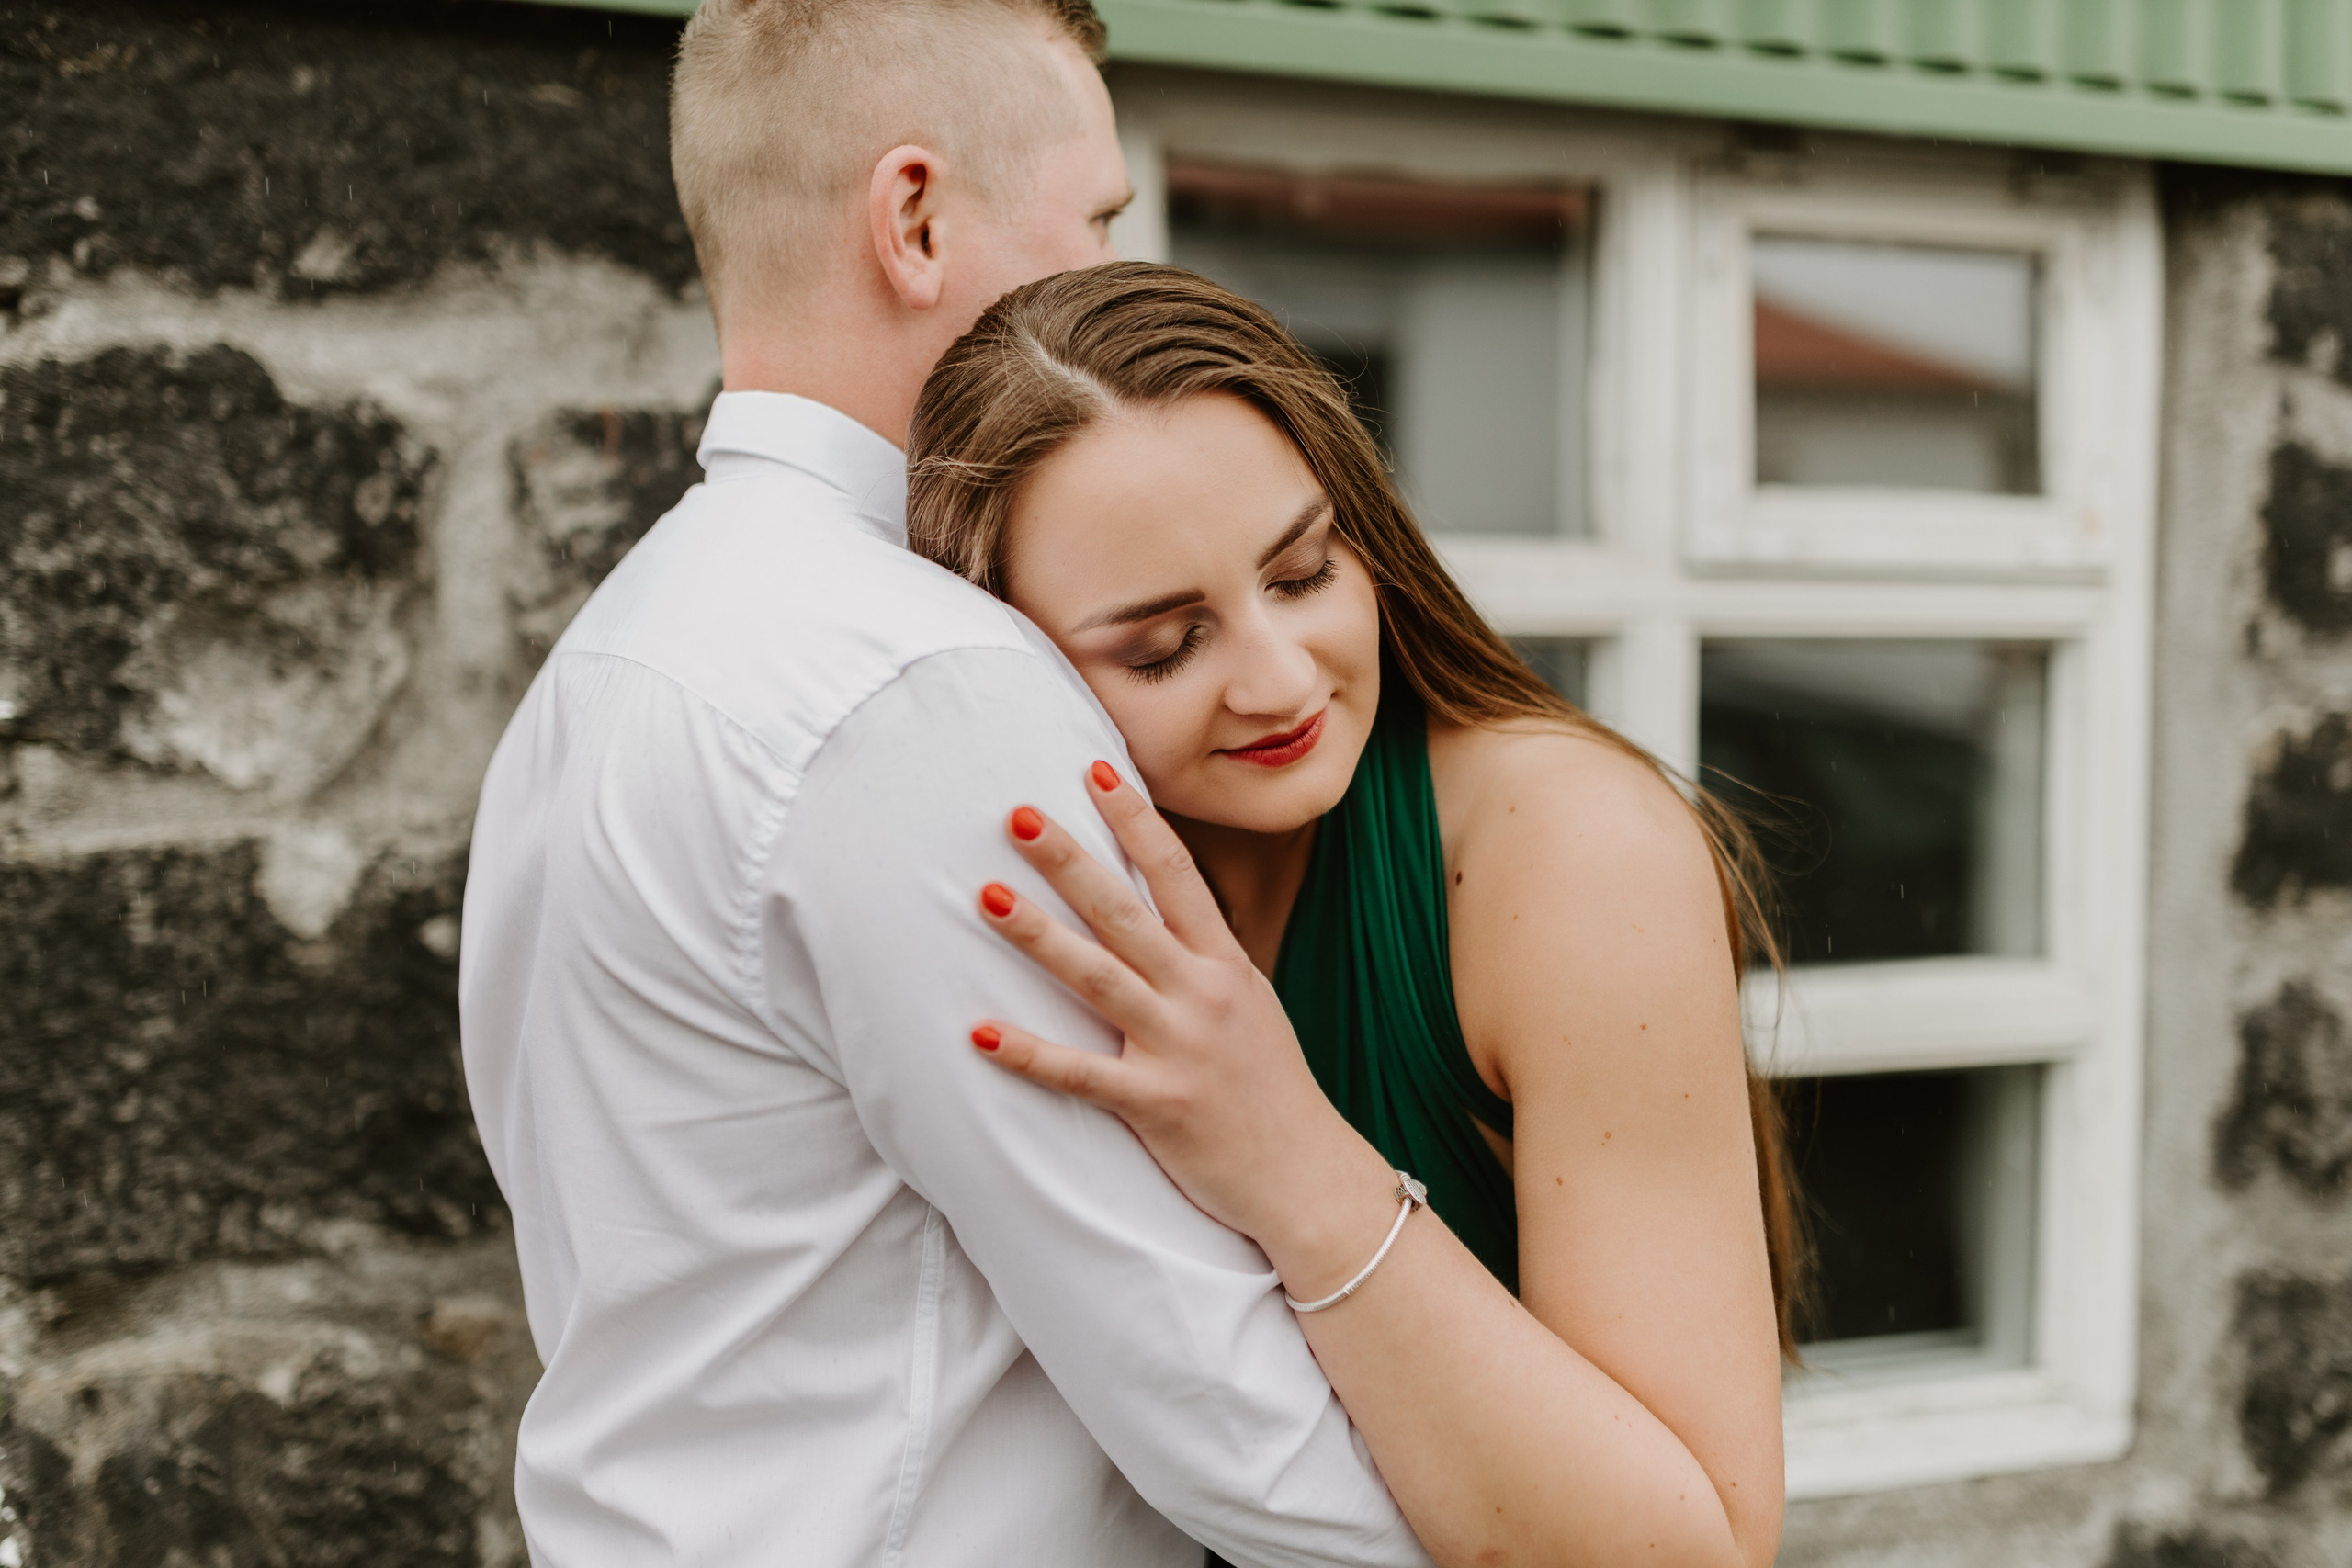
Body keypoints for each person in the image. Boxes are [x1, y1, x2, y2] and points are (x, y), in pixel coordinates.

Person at [459, 6, 1434, 1565]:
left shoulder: (609, 661)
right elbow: (1219, 1399)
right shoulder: (925, 684)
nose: (1124, 265)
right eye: (1101, 220)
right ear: (913, 216)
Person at [904, 262, 1801, 1568]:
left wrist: (1288, 1160)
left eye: (1304, 572)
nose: (1279, 680)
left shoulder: (1567, 856)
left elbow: (1696, 1551)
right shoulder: (1026, 890)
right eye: (1164, 647)